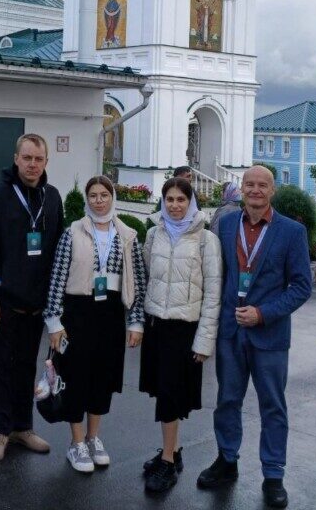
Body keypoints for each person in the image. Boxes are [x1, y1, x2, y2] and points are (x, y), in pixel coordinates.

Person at [197, 166, 313, 509]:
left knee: (273, 406)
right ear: (242, 188)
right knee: (227, 400)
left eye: (263, 185)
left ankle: (273, 475)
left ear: (272, 191)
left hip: (270, 335)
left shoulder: (292, 232)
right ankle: (227, 460)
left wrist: (263, 313)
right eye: (249, 184)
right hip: (230, 333)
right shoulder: (226, 224)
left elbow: (301, 287)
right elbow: (216, 273)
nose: (255, 190)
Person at [0, 134, 64, 463]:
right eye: (27, 158)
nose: (32, 164)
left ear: (46, 162)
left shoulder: (52, 198)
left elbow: (58, 252)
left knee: (25, 368)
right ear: (16, 159)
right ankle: (1, 431)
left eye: (38, 159)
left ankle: (23, 428)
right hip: (2, 302)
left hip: (35, 304)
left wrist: (55, 306)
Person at [44, 176, 147, 473]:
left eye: (104, 195)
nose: (99, 200)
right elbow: (57, 278)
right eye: (93, 195)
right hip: (77, 314)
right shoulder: (73, 232)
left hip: (111, 315)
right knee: (75, 377)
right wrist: (54, 322)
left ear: (112, 197)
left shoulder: (127, 235)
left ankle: (93, 437)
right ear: (87, 199)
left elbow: (138, 282)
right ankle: (76, 443)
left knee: (103, 377)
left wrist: (136, 322)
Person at [139, 177, 221, 492]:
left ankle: (168, 463)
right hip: (157, 326)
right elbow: (148, 276)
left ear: (191, 202)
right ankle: (171, 451)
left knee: (172, 395)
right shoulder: (153, 234)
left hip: (184, 329)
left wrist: (205, 341)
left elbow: (212, 294)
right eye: (169, 199)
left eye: (181, 200)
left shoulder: (206, 240)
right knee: (163, 392)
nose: (174, 205)